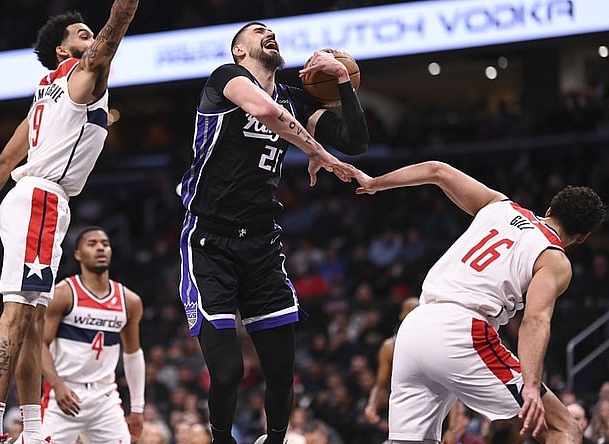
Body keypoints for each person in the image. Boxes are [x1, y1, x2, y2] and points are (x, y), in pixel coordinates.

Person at [178, 22, 369, 444]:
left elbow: (356, 142)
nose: (270, 33)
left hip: (262, 245)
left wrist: (341, 79)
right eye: (257, 31)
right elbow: (266, 113)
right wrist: (319, 154)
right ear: (239, 51)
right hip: (209, 242)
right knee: (228, 372)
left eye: (272, 31)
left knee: (282, 372)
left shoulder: (294, 100)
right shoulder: (226, 78)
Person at [0, 2, 138, 443]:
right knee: (20, 312)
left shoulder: (45, 92)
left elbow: (5, 158)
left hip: (27, 197)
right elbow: (115, 27)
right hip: (41, 197)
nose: (91, 37)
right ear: (63, 51)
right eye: (82, 33)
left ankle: (34, 429)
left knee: (35, 316)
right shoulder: (83, 76)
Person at [352, 160, 605, 443]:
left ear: (549, 210)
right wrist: (531, 386)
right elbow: (535, 320)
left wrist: (375, 183)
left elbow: (438, 171)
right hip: (461, 332)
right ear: (582, 238)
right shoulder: (554, 259)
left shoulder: (500, 205)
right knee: (563, 427)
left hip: (414, 327)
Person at [40, 227, 145, 443]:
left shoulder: (129, 301)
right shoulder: (63, 293)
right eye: (92, 243)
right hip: (64, 392)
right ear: (78, 254)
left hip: (104, 397)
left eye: (105, 244)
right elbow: (39, 344)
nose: (100, 248)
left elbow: (133, 354)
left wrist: (137, 407)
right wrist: (57, 385)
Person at [364, 297, 419, 427]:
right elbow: (380, 383)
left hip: (431, 403)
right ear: (401, 315)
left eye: (416, 310)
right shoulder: (389, 347)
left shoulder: (434, 343)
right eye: (409, 310)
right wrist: (372, 405)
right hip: (403, 405)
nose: (413, 314)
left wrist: (452, 428)